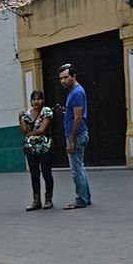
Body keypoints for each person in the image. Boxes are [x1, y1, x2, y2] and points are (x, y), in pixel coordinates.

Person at [59, 63, 91, 209]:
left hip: (77, 135)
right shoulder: (74, 92)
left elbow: (78, 118)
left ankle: (81, 200)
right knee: (80, 167)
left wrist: (71, 141)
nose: (63, 81)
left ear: (74, 76)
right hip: (78, 134)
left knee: (76, 170)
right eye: (61, 78)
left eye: (66, 77)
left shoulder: (77, 92)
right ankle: (85, 198)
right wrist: (65, 113)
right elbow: (74, 115)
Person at [19, 90, 55, 211]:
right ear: (31, 101)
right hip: (30, 149)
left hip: (44, 147)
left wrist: (29, 134)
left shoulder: (47, 111)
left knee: (46, 173)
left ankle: (48, 199)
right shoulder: (27, 114)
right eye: (34, 99)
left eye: (38, 99)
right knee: (34, 174)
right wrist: (20, 119)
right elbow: (24, 131)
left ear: (42, 100)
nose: (36, 101)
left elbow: (42, 129)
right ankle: (36, 200)